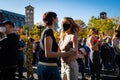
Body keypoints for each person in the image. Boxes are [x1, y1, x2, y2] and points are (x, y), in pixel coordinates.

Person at [37, 12, 76, 80]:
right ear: (53, 19)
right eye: (56, 17)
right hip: (49, 67)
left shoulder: (46, 31)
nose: (58, 18)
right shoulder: (48, 31)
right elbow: (48, 54)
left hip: (45, 67)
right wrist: (67, 54)